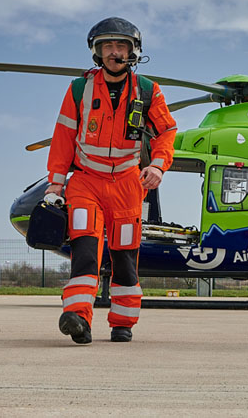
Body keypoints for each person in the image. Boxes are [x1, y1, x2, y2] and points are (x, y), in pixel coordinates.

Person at [44, 17, 178, 344]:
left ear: (133, 52)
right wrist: (55, 184)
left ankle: (123, 322)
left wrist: (158, 166)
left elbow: (167, 131)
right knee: (86, 251)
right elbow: (63, 137)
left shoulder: (148, 91)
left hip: (128, 186)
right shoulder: (79, 89)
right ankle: (77, 317)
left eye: (120, 46)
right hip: (86, 182)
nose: (114, 52)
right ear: (97, 51)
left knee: (124, 256)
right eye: (107, 46)